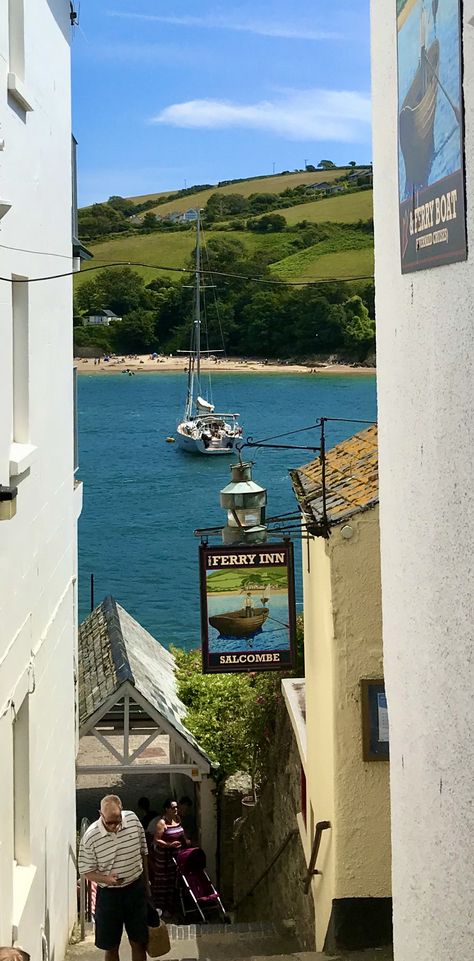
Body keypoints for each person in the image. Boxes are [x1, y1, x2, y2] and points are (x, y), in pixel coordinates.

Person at [78, 794, 150, 961]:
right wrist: (107, 879)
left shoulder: (132, 820)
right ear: (100, 814)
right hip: (110, 896)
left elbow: (143, 852)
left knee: (139, 942)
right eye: (109, 822)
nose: (114, 826)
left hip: (135, 890)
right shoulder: (90, 837)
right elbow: (86, 870)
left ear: (122, 812)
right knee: (110, 946)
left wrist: (147, 885)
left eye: (117, 821)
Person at [150, 798, 187, 917]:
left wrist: (186, 840)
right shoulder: (162, 823)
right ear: (167, 809)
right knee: (163, 882)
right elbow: (156, 840)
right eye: (173, 807)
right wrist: (169, 845)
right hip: (164, 858)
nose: (176, 809)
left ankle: (170, 908)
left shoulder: (178, 819)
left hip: (176, 856)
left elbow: (182, 833)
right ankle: (159, 908)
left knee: (172, 882)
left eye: (176, 807)